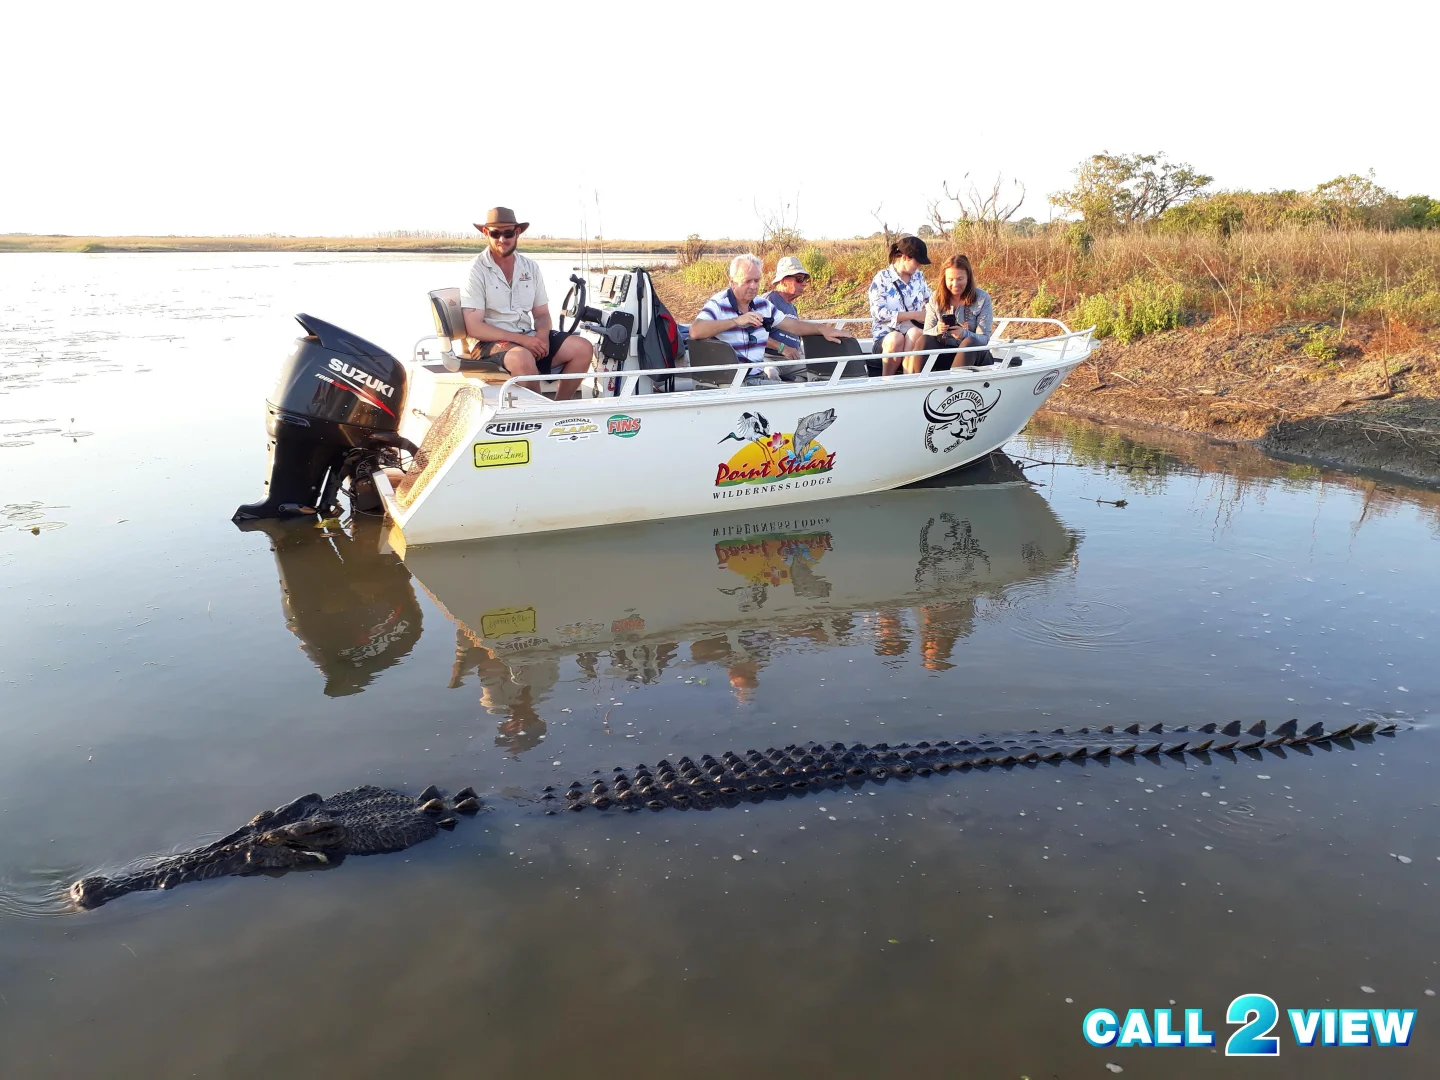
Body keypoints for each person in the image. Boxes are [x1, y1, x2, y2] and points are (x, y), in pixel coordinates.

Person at [460, 207, 594, 401]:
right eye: (495, 233)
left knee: (583, 348)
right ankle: (538, 415)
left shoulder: (530, 267)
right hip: (487, 344)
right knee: (522, 358)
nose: (502, 239)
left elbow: (541, 314)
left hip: (526, 337)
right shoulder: (476, 270)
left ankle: (557, 408)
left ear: (517, 232)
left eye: (508, 233)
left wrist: (542, 337)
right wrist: (523, 341)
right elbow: (474, 327)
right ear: (485, 233)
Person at [690, 254, 850, 385]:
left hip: (756, 378)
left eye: (757, 280)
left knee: (805, 388)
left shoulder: (762, 305)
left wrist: (822, 329)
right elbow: (696, 331)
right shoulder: (718, 303)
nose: (753, 286)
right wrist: (736, 321)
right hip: (729, 382)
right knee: (793, 395)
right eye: (747, 281)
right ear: (732, 282)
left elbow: (792, 325)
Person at [868, 235, 933, 376]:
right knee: (896, 338)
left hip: (912, 333)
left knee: (916, 333)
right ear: (905, 257)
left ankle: (908, 379)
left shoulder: (919, 277)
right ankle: (887, 382)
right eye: (917, 262)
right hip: (886, 336)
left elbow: (931, 300)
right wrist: (915, 315)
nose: (919, 266)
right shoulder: (882, 278)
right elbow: (878, 313)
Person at [922, 254, 994, 370]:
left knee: (970, 342)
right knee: (924, 340)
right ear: (944, 279)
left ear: (968, 278)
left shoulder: (982, 298)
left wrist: (964, 334)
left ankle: (955, 384)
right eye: (950, 279)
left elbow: (984, 338)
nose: (955, 284)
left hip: (973, 355)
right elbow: (927, 331)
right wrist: (937, 330)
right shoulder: (935, 297)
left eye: (960, 279)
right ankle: (916, 382)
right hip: (945, 351)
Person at [764, 255, 811, 381]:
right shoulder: (768, 301)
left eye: (805, 279)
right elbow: (755, 335)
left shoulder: (792, 308)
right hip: (769, 358)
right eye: (799, 279)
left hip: (792, 360)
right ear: (784, 280)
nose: (804, 284)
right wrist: (782, 348)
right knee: (771, 373)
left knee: (821, 369)